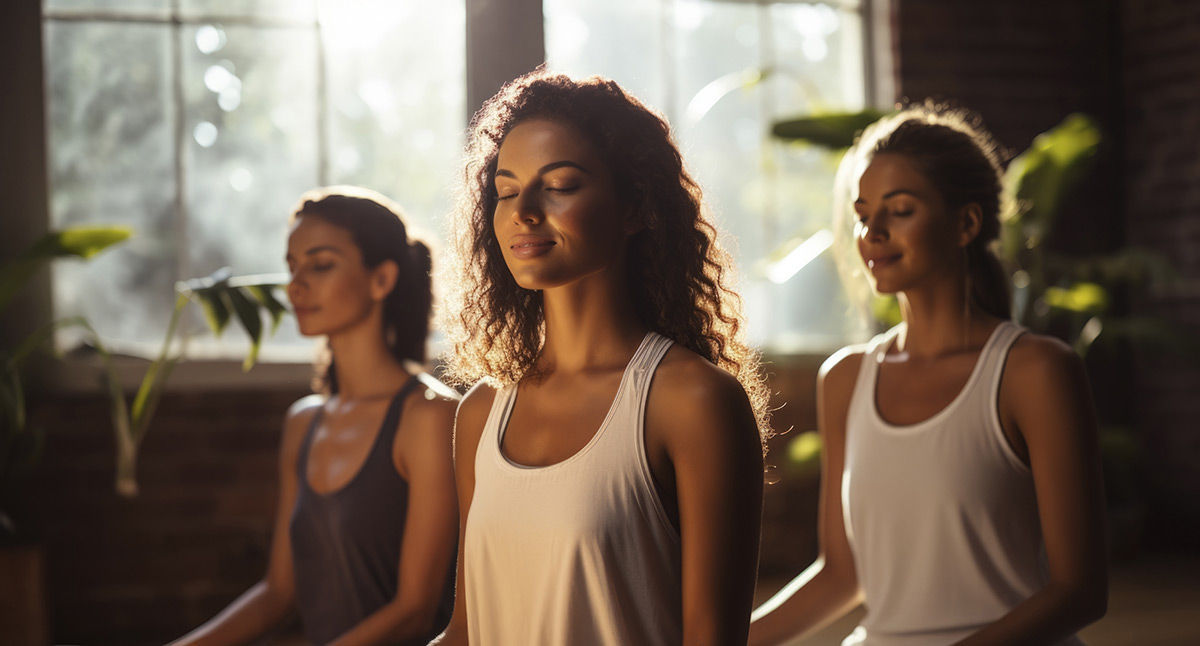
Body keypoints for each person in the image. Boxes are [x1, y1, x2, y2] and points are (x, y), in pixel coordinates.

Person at [429, 70, 772, 646]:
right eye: (507, 191)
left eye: (559, 184)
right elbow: (465, 632)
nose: (523, 212)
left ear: (635, 207)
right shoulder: (482, 412)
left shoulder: (691, 401)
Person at [748, 104, 1109, 646]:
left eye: (900, 210)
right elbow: (843, 576)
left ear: (966, 223)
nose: (872, 232)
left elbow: (1080, 590)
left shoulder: (1034, 371)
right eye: (864, 213)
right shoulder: (845, 378)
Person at [168, 186, 459, 646]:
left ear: (381, 280)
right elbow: (278, 593)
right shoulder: (303, 423)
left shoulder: (430, 416)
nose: (296, 285)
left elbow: (415, 611)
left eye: (321, 265)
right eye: (292, 266)